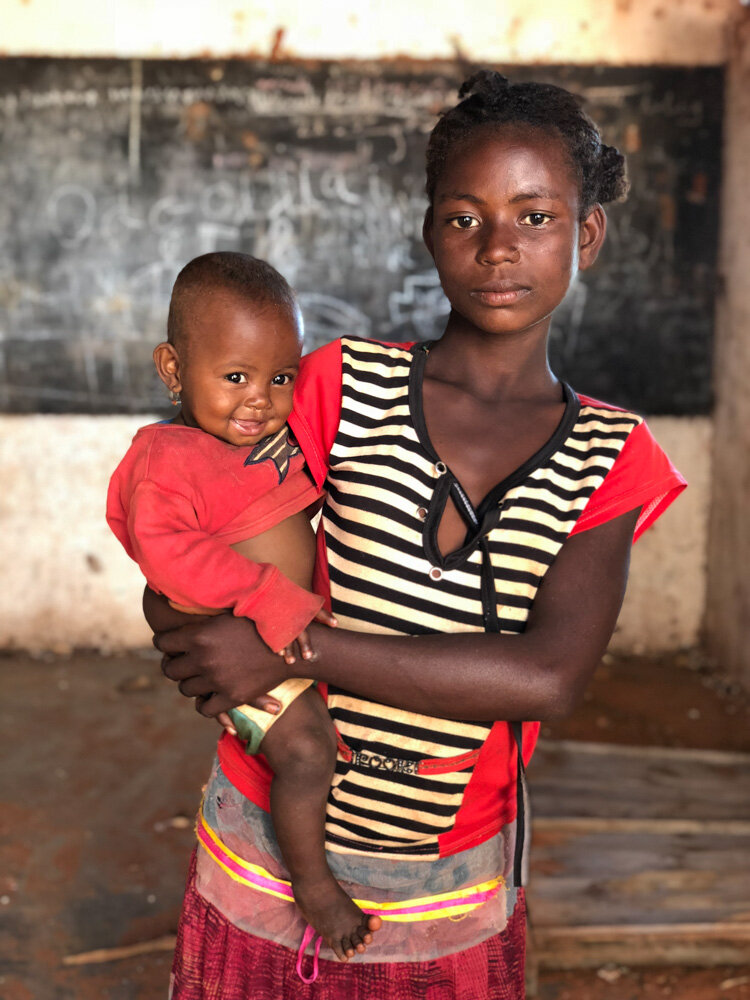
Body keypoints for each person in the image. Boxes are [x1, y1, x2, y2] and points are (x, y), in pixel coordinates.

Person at [149, 72, 687, 999]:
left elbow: (548, 677)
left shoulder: (613, 455)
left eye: (536, 217)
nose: (497, 250)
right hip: (262, 839)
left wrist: (290, 646)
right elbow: (191, 524)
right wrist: (190, 627)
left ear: (586, 234)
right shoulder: (333, 385)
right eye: (465, 218)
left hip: (443, 876)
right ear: (430, 230)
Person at [107, 252, 381, 961]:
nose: (259, 399)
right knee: (309, 755)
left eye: (279, 377)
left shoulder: (263, 441)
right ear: (172, 370)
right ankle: (315, 888)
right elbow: (168, 557)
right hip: (241, 645)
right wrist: (264, 595)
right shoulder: (167, 458)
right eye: (235, 377)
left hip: (287, 635)